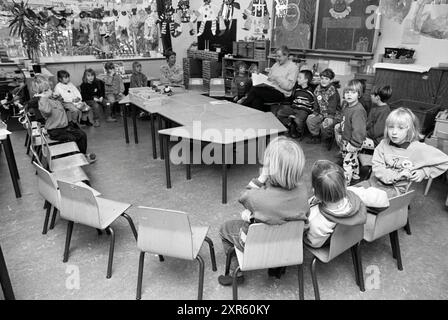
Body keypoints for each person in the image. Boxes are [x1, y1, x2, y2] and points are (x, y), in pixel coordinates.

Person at [218, 136, 309, 286]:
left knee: (225, 228)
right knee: (283, 226)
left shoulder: (258, 198)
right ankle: (276, 267)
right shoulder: (303, 190)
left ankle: (237, 272)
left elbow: (244, 196)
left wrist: (261, 178)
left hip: (257, 243)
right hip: (289, 244)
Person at [363, 107, 448, 197]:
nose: (394, 132)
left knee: (367, 200)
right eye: (391, 127)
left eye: (400, 128)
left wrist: (424, 172)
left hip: (394, 190)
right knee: (351, 193)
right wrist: (397, 175)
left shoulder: (418, 148)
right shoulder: (383, 144)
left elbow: (445, 161)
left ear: (410, 129)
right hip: (374, 183)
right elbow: (378, 168)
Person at [305, 160, 388, 248]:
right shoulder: (356, 194)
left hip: (332, 245)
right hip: (355, 235)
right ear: (345, 184)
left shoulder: (316, 219)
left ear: (316, 193)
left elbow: (314, 243)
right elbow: (383, 200)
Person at [32, 75, 96, 163]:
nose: (51, 91)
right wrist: (44, 97)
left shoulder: (53, 99)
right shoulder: (43, 102)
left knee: (82, 135)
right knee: (72, 138)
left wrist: (58, 98)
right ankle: (74, 157)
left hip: (64, 127)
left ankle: (82, 155)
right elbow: (47, 111)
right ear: (42, 93)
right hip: (55, 131)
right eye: (47, 90)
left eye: (50, 88)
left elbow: (61, 105)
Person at [242, 46, 299, 111]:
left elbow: (289, 86)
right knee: (256, 99)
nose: (277, 58)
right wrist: (261, 77)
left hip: (281, 93)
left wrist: (277, 78)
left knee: (255, 90)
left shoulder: (293, 67)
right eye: (276, 56)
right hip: (270, 89)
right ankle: (256, 118)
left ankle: (241, 107)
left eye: (279, 56)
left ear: (286, 56)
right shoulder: (276, 65)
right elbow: (269, 77)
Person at [334, 79, 367, 184]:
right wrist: (340, 129)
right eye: (347, 92)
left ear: (359, 94)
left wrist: (355, 144)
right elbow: (346, 121)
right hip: (347, 140)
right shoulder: (347, 106)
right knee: (352, 158)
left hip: (352, 142)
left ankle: (345, 182)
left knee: (347, 163)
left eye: (353, 92)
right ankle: (356, 174)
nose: (349, 95)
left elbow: (359, 129)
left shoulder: (358, 111)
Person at [276, 69, 317, 139]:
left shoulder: (310, 92)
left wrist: (313, 112)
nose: (297, 79)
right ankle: (289, 124)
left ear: (306, 80)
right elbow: (293, 99)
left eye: (299, 77)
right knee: (280, 113)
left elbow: (313, 103)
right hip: (294, 108)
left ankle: (299, 131)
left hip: (304, 110)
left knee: (298, 120)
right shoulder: (297, 90)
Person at [306, 68, 341, 146]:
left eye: (326, 79)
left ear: (331, 80)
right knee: (310, 119)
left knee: (325, 125)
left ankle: (328, 137)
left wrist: (329, 117)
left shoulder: (333, 91)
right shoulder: (317, 89)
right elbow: (316, 103)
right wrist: (315, 112)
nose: (323, 80)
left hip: (333, 115)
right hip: (321, 113)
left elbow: (333, 107)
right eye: (322, 78)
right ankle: (316, 136)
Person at [362, 85, 392, 150]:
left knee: (354, 138)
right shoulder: (375, 107)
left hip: (375, 141)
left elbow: (376, 132)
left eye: (372, 94)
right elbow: (368, 123)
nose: (370, 96)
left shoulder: (385, 111)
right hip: (368, 135)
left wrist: (363, 133)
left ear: (377, 97)